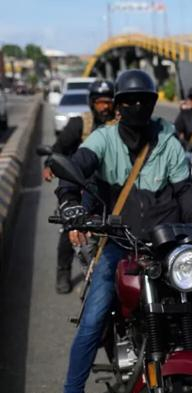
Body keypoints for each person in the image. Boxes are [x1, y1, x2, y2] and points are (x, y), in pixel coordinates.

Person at [54, 69, 192, 393]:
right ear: (118, 106)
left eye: (143, 100)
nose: (136, 106)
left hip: (165, 242)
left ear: (153, 103)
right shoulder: (103, 139)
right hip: (119, 243)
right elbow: (76, 168)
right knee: (93, 318)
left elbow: (185, 190)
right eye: (128, 101)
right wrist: (69, 202)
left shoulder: (168, 141)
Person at [43, 79, 116, 294]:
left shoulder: (120, 126)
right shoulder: (80, 123)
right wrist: (49, 165)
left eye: (109, 102)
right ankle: (63, 271)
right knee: (70, 227)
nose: (105, 107)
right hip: (80, 185)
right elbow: (58, 149)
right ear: (92, 103)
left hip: (108, 186)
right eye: (101, 102)